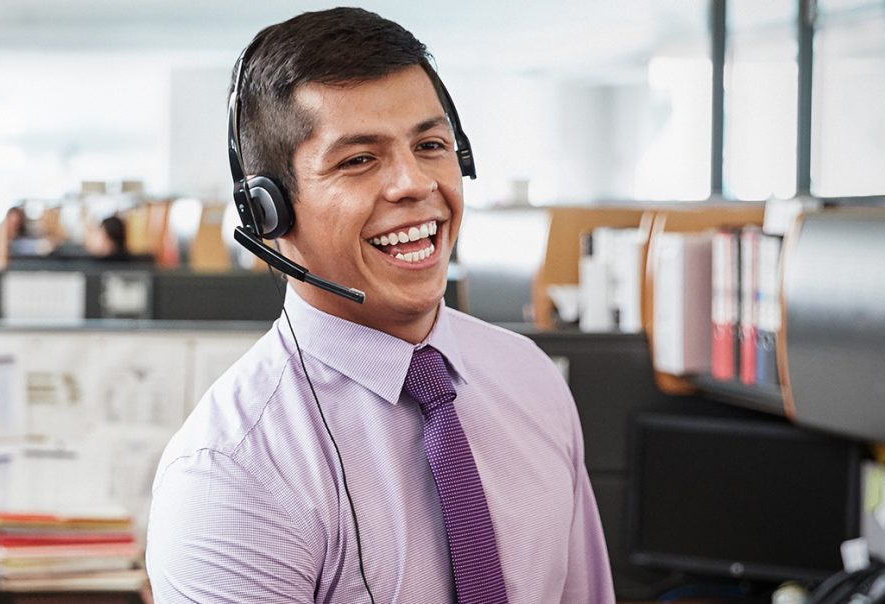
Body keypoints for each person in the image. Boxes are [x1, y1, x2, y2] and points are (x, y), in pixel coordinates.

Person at [146, 9, 613, 603]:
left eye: (431, 145)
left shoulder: (530, 378)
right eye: (359, 159)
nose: (414, 183)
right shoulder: (234, 472)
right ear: (269, 212)